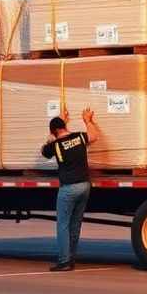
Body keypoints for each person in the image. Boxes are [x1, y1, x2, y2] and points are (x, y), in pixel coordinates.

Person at [41, 107, 101, 271]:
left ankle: (64, 261)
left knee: (63, 225)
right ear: (65, 126)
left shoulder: (55, 145)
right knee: (75, 224)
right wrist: (87, 120)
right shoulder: (79, 137)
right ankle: (71, 258)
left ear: (53, 131)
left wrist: (51, 137)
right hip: (85, 186)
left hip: (68, 188)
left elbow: (44, 151)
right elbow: (94, 136)